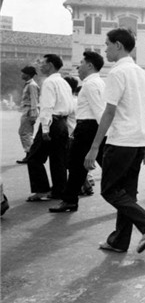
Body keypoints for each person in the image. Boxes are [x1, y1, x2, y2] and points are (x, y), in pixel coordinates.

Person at [84, 27, 145, 254]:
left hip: (121, 141)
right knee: (127, 194)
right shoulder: (142, 73)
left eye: (107, 44)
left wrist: (94, 147)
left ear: (118, 45)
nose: (105, 50)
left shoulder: (117, 73)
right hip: (137, 141)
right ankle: (119, 241)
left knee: (109, 190)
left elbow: (109, 112)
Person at [50, 51, 106, 213]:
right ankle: (70, 200)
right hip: (89, 128)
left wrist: (99, 136)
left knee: (76, 165)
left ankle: (70, 200)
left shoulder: (90, 84)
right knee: (81, 166)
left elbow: (99, 112)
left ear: (89, 65)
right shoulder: (98, 82)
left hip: (89, 128)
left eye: (81, 63)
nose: (78, 67)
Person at [26, 54, 75, 202]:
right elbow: (70, 106)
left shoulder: (49, 82)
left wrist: (45, 128)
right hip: (63, 123)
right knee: (58, 159)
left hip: (52, 122)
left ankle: (41, 190)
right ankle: (59, 191)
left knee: (34, 157)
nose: (40, 65)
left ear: (51, 65)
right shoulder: (64, 83)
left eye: (43, 63)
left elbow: (47, 106)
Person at [16, 65, 40, 164]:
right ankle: (31, 154)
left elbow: (34, 100)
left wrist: (33, 114)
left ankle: (30, 155)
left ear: (28, 75)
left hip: (30, 110)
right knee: (26, 133)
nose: (21, 74)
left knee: (25, 133)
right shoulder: (29, 84)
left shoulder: (32, 85)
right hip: (28, 110)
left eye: (23, 73)